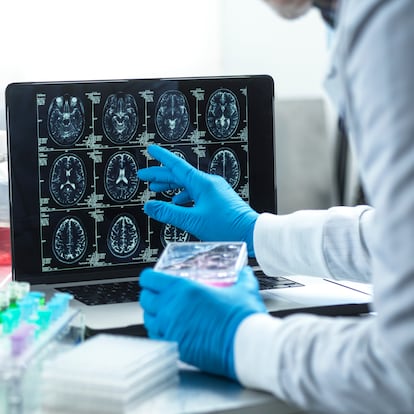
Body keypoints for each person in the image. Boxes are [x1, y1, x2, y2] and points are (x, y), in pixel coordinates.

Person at [137, 0, 414, 413]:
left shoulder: (390, 20)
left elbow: (400, 371)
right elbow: (401, 236)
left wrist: (240, 338)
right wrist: (254, 232)